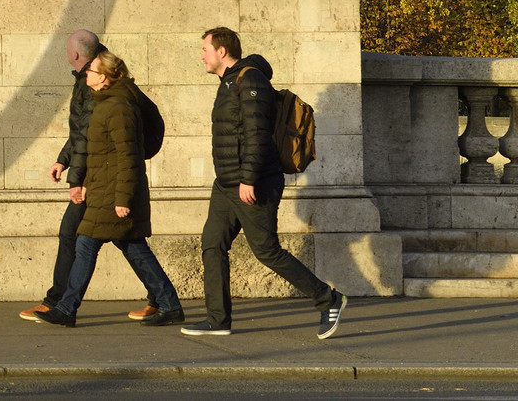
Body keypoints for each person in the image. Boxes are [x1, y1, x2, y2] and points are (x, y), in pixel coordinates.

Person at [184, 26, 346, 339]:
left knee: (267, 250)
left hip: (254, 182)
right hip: (227, 184)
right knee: (212, 243)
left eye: (205, 49)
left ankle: (329, 299)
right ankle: (218, 320)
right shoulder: (229, 82)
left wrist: (248, 179)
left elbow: (258, 134)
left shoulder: (251, 79)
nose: (202, 55)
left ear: (221, 51)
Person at [21, 30, 171, 323]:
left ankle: (60, 305)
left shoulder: (109, 100)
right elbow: (82, 134)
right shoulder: (95, 86)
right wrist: (62, 160)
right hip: (100, 177)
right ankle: (164, 299)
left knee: (80, 237)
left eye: (91, 71)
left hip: (101, 179)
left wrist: (77, 181)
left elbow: (102, 145)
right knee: (127, 240)